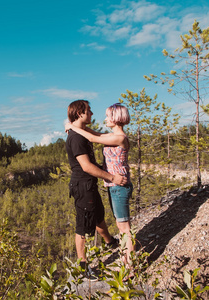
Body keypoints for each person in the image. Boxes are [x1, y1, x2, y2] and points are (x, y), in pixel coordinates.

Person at [65, 102, 135, 274]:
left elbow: (93, 138)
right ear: (81, 113)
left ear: (116, 119)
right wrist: (72, 128)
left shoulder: (119, 138)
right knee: (87, 224)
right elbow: (93, 138)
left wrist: (71, 127)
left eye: (107, 116)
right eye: (89, 111)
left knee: (120, 226)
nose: (99, 116)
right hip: (105, 184)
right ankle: (86, 265)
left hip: (117, 185)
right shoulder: (87, 137)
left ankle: (129, 265)